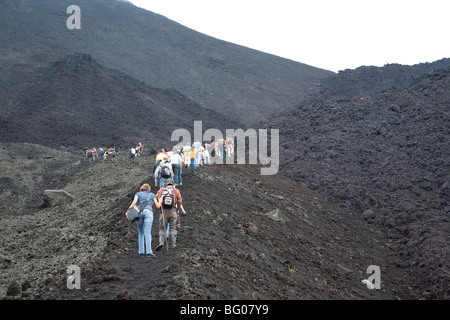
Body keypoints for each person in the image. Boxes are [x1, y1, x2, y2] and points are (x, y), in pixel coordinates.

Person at [125, 183, 161, 258]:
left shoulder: (138, 194)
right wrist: (160, 200)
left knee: (141, 232)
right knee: (147, 232)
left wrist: (128, 211)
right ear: (149, 189)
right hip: (148, 213)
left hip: (139, 213)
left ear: (142, 189)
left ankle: (141, 252)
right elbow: (157, 206)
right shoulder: (152, 195)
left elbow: (134, 203)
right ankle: (149, 252)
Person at [155, 179, 186, 250]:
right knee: (172, 227)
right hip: (173, 211)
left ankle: (161, 242)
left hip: (164, 212)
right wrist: (177, 209)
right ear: (173, 184)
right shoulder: (176, 191)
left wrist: (160, 204)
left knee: (162, 228)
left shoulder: (161, 190)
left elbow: (156, 197)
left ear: (166, 184)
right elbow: (180, 201)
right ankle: (173, 243)